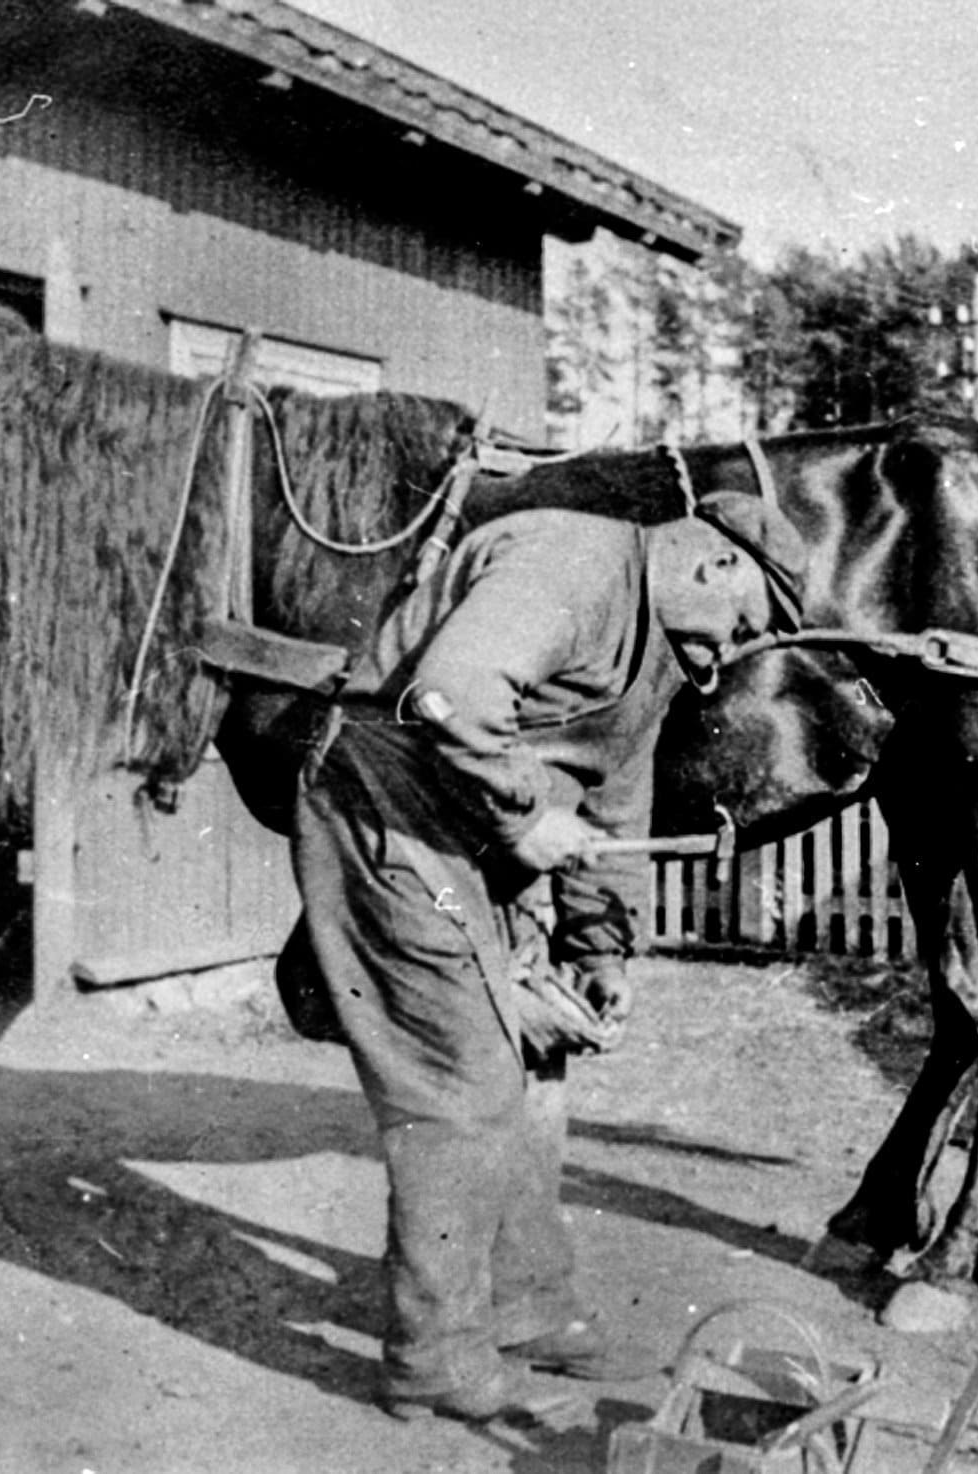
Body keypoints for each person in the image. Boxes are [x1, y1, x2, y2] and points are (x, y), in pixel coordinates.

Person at [291, 493, 779, 1420]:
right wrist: (525, 811)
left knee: (540, 1055)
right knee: (463, 1078)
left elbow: (612, 804)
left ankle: (526, 1308)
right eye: (741, 623)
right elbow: (451, 692)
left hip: (472, 832)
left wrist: (602, 948)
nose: (728, 656)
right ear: (714, 565)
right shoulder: (576, 562)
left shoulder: (661, 647)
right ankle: (434, 1357)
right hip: (390, 816)